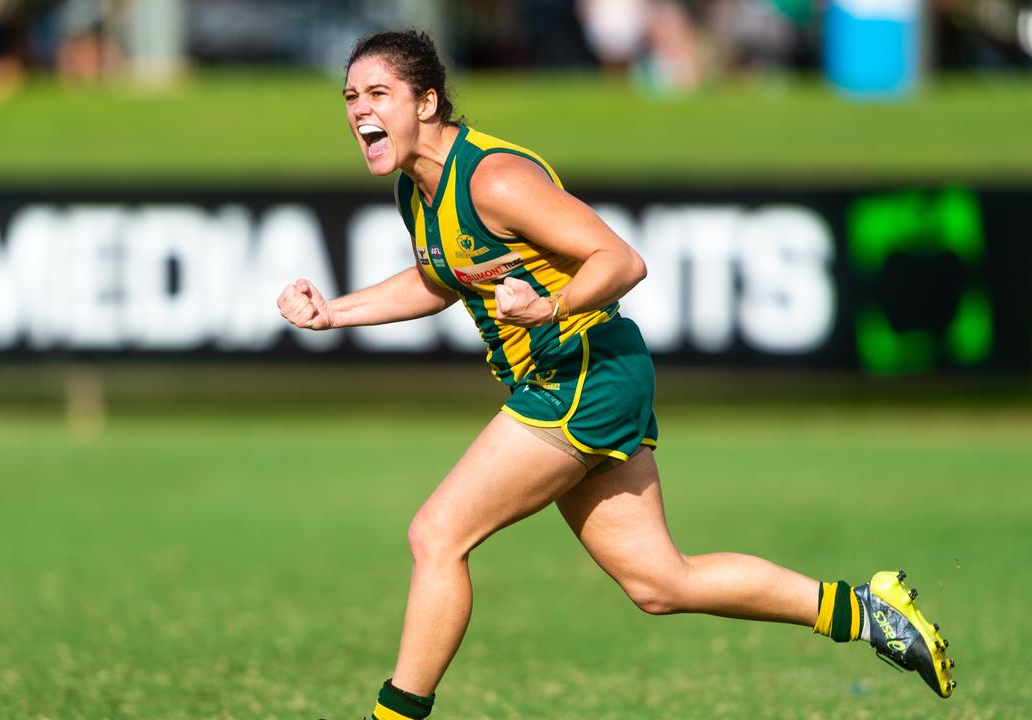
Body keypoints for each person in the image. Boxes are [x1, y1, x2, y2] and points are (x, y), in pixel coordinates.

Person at [276, 29, 955, 719]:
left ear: (426, 102)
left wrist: (549, 306)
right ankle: (867, 613)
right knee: (660, 581)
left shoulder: (494, 179)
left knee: (437, 534)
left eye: (378, 94)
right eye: (352, 96)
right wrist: (335, 312)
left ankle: (393, 715)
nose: (360, 108)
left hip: (582, 374)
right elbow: (440, 278)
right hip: (583, 378)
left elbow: (621, 259)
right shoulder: (415, 190)